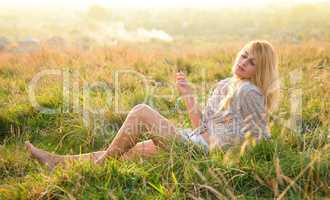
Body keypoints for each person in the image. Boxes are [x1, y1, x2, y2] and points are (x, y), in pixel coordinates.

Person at [25, 40, 280, 169]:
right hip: (191, 141)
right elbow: (202, 125)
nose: (244, 61)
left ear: (261, 69)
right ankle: (56, 161)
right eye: (244, 55)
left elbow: (261, 137)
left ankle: (96, 169)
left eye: (253, 62)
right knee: (123, 152)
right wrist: (188, 95)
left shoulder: (250, 92)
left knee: (141, 112)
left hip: (199, 154)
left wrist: (222, 152)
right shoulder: (228, 83)